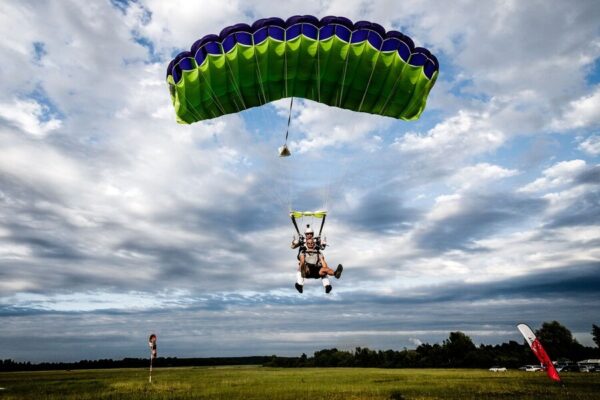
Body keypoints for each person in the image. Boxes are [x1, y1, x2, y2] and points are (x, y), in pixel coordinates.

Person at [291, 226, 342, 294]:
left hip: (317, 269)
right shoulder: (303, 250)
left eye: (311, 234)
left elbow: (324, 263)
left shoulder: (318, 251)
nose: (309, 235)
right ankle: (300, 284)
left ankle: (335, 274)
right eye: (307, 234)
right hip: (307, 270)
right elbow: (296, 252)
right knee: (302, 264)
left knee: (324, 269)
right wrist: (294, 243)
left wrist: (325, 269)